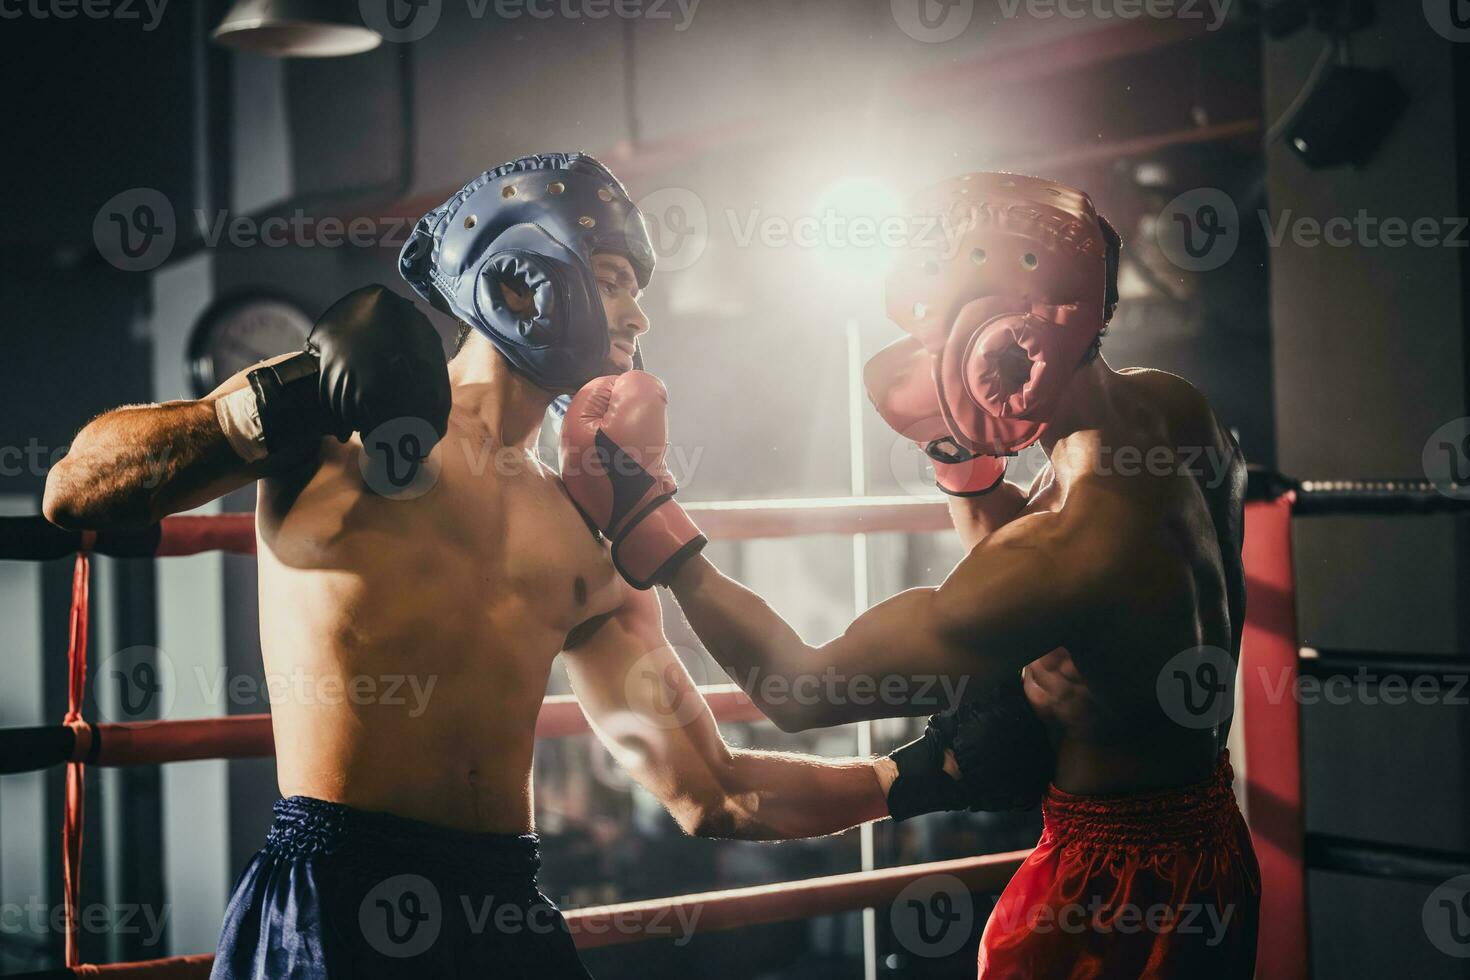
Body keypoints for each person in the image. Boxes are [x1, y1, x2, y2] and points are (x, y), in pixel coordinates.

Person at [42, 153, 900, 979]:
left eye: (639, 295)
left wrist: (919, 777)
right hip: (330, 893)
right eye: (609, 280)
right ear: (522, 277)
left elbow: (714, 793)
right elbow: (75, 488)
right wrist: (295, 391)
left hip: (501, 906)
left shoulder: (589, 526)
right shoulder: (335, 424)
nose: (639, 320)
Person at [559, 172, 1262, 978]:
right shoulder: (1172, 410)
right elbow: (1066, 594)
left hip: (1111, 892)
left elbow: (801, 691)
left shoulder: (1072, 543)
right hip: (1212, 843)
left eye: (939, 346)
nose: (929, 371)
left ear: (1009, 346)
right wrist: (961, 463)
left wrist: (653, 527)